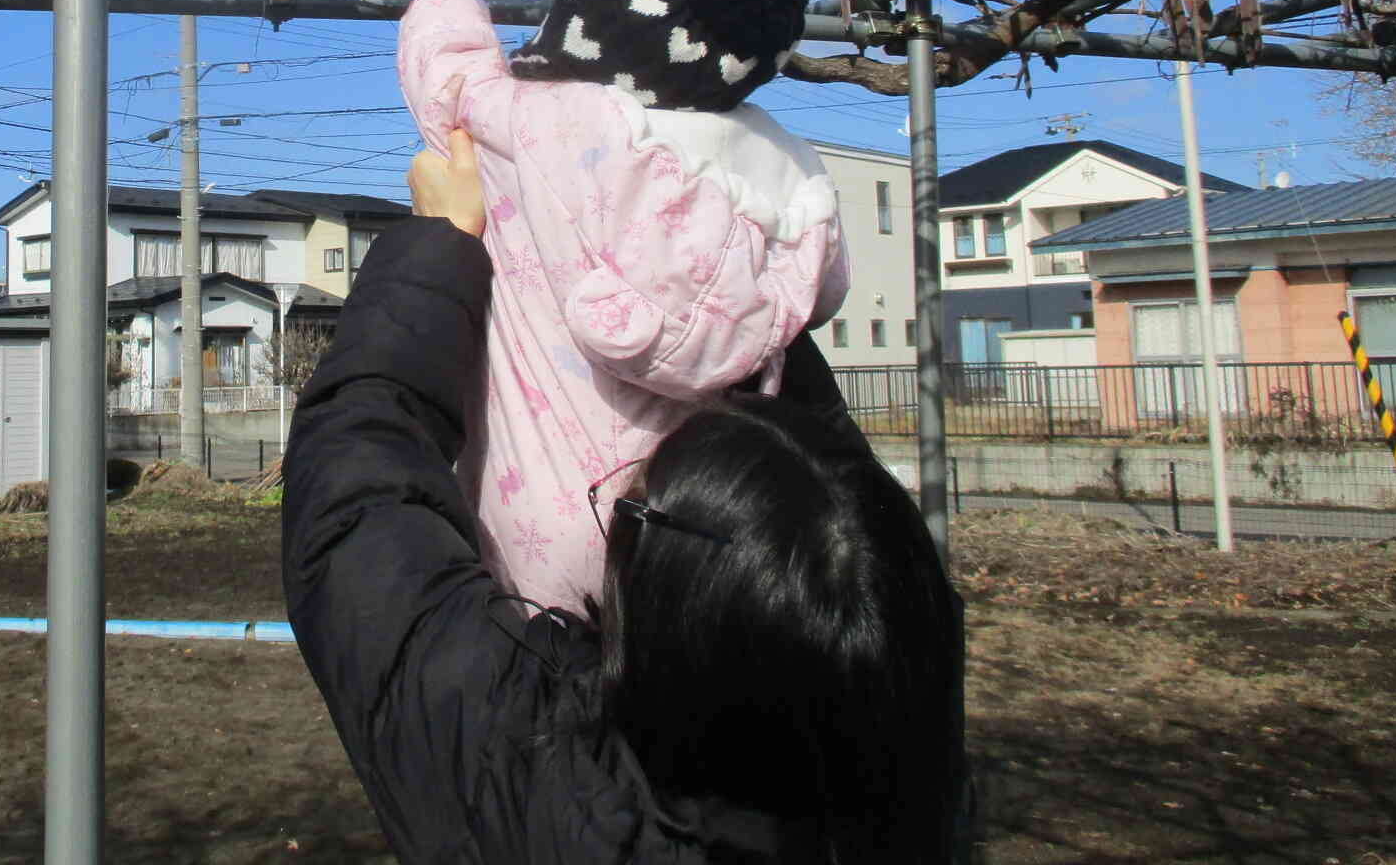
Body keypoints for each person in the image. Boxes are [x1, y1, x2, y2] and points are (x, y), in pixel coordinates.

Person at [283, 137, 959, 863]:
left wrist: (437, 247)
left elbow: (359, 505)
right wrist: (740, 302)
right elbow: (839, 501)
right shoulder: (912, 758)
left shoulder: (538, 773)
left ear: (671, 613)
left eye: (639, 508)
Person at [397, 0, 849, 610]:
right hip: (703, 524)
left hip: (545, 533)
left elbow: (448, 77)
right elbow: (823, 293)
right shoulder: (792, 170)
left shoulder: (560, 129)